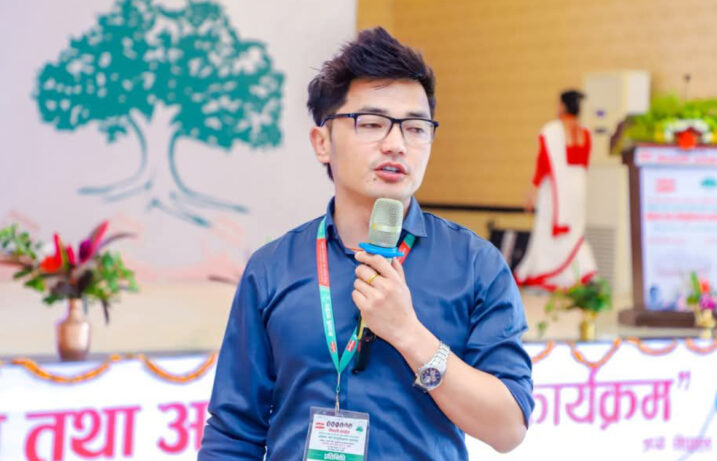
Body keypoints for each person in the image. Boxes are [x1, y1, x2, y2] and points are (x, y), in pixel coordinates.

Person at [198, 27, 533, 460]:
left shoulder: (475, 265)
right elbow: (234, 431)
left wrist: (408, 333)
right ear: (322, 142)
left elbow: (508, 429)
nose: (396, 144)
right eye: (372, 123)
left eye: (415, 128)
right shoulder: (272, 267)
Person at [515, 90, 597, 290]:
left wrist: (532, 191)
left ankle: (549, 276)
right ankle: (576, 274)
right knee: (574, 232)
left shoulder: (552, 130)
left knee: (548, 232)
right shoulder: (586, 132)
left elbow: (543, 164)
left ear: (562, 106)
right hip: (578, 190)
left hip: (554, 192)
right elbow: (585, 164)